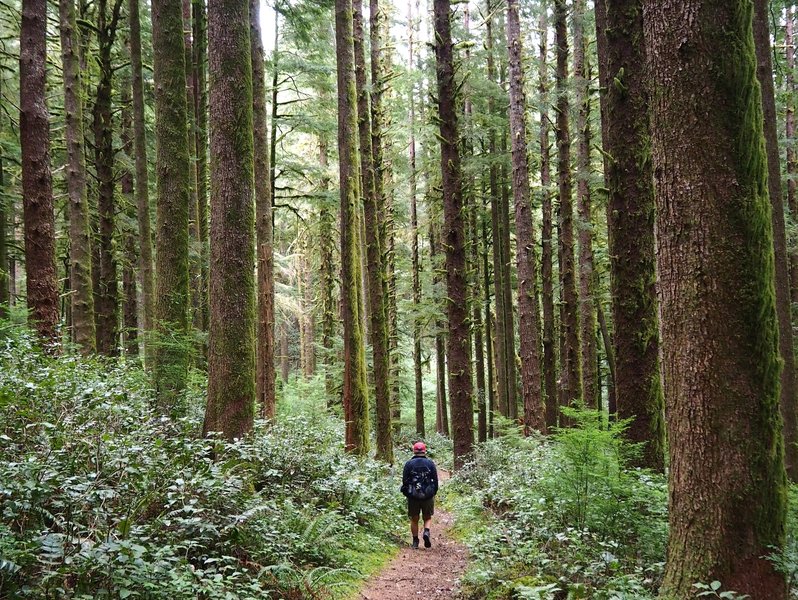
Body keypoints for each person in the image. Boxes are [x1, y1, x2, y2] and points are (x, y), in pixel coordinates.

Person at [400, 441, 439, 549]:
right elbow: (435, 480)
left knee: (414, 519)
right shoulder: (430, 463)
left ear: (414, 451)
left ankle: (415, 541)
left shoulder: (409, 464)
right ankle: (426, 532)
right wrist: (433, 492)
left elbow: (405, 481)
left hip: (413, 496)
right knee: (427, 517)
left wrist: (407, 493)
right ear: (424, 451)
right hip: (428, 495)